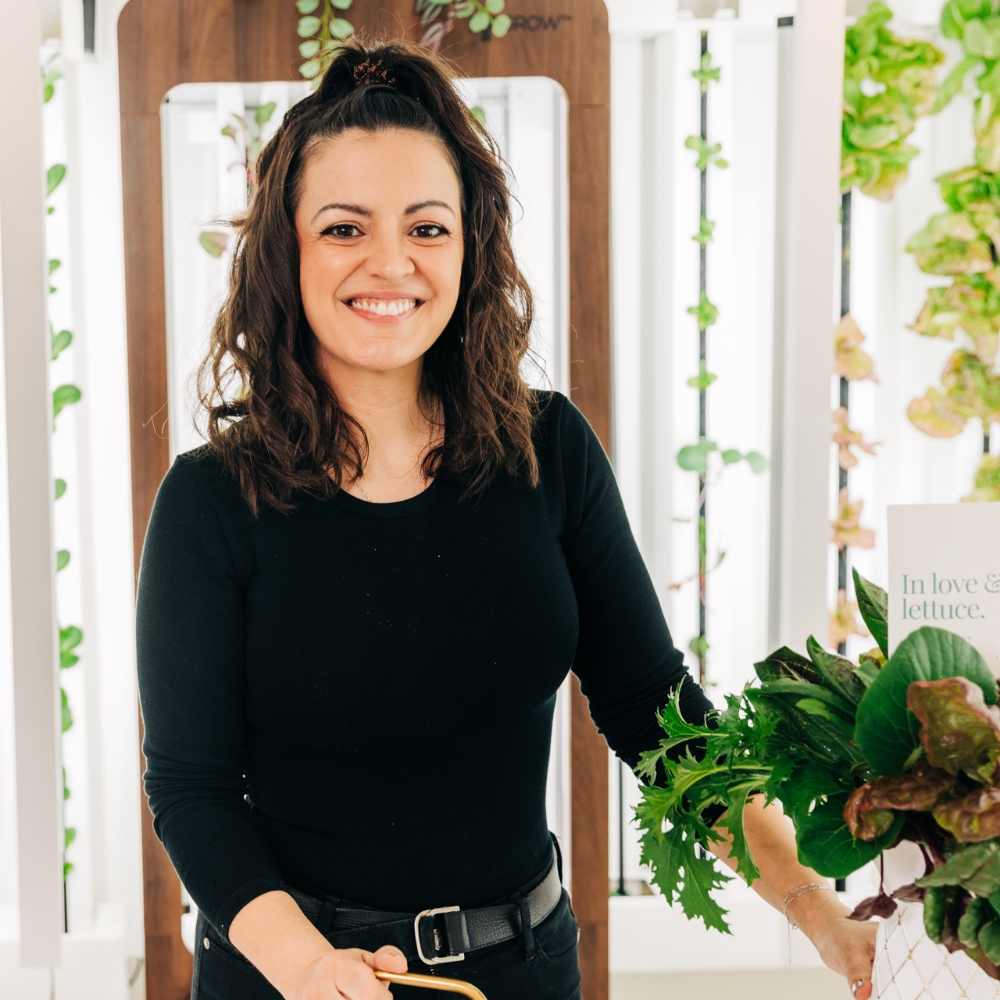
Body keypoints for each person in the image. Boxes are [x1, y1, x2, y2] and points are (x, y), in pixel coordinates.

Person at [136, 38, 877, 1000]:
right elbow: (190, 792)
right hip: (293, 977)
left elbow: (660, 719)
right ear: (286, 249)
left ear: (470, 246)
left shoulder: (548, 449)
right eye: (344, 228)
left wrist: (822, 916)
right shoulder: (209, 501)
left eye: (428, 227)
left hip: (526, 965)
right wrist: (308, 969)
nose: (391, 262)